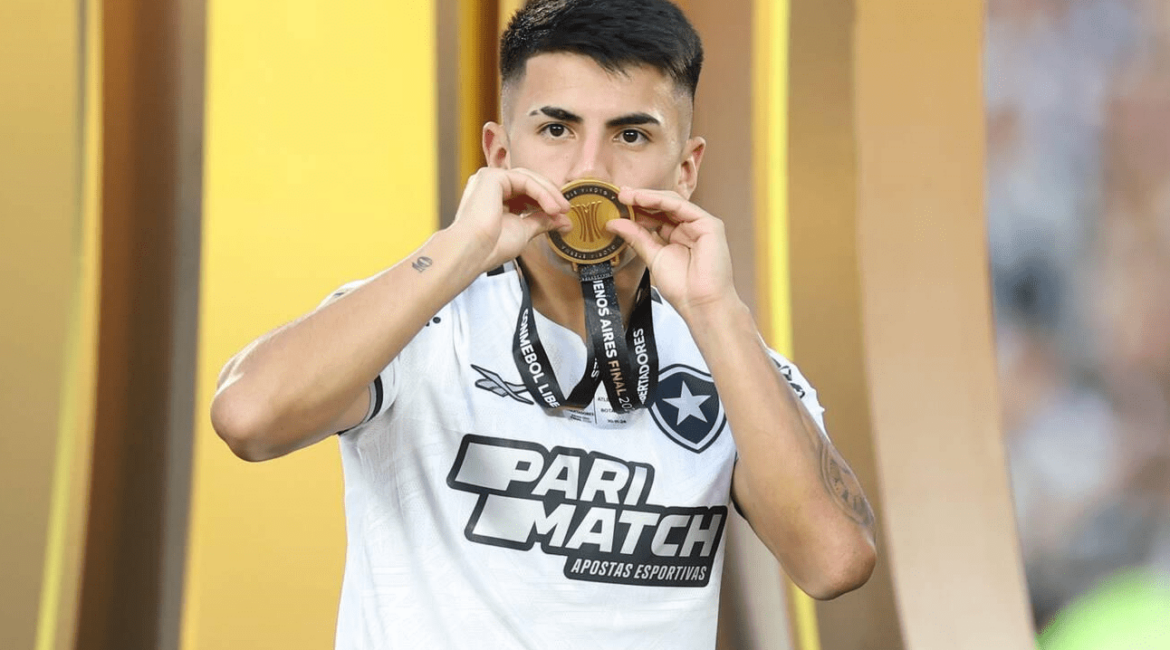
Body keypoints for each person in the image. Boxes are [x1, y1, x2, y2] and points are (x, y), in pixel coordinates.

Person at [211, 0, 875, 647]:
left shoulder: (730, 357)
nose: (590, 169)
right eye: (556, 130)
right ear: (501, 154)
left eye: (631, 135)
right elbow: (248, 418)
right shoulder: (417, 322)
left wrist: (717, 313)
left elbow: (834, 563)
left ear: (686, 169)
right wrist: (457, 250)